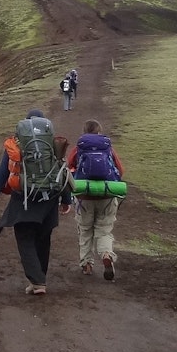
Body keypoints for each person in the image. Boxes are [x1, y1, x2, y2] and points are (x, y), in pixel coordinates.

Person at [0, 109, 73, 296]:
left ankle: (37, 281)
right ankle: (39, 279)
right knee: (43, 240)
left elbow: (5, 169)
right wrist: (66, 200)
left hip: (24, 199)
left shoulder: (17, 143)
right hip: (49, 200)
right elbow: (63, 171)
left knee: (25, 239)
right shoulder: (53, 144)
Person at [66, 119, 125, 281]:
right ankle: (106, 254)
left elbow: (69, 170)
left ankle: (86, 264)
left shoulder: (79, 148)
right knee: (104, 230)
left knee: (85, 230)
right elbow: (120, 170)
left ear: (84, 132)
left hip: (84, 196)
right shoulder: (108, 148)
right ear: (100, 132)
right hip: (107, 195)